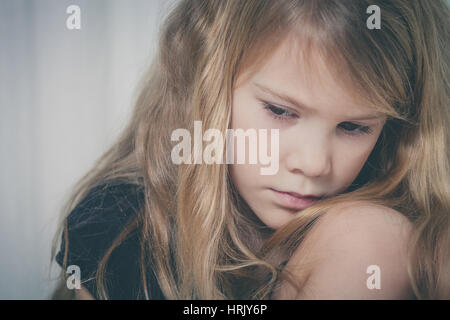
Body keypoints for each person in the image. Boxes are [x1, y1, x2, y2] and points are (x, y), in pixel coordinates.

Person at [50, 0, 450, 300]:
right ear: (206, 83)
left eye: (354, 127)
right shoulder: (122, 223)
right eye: (279, 110)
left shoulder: (393, 227)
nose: (312, 163)